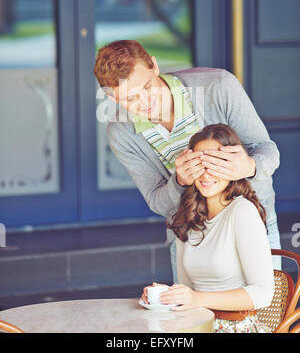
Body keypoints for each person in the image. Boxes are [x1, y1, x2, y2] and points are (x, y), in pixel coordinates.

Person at [93, 39, 281, 280]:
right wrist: (179, 182)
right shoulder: (121, 133)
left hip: (253, 221)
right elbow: (157, 201)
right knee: (194, 316)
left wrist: (250, 166)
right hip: (190, 236)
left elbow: (266, 149)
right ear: (114, 98)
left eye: (148, 87)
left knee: (265, 313)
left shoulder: (219, 86)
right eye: (130, 99)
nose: (145, 104)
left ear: (154, 65)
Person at [141, 124, 275, 333]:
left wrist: (196, 299)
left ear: (232, 165)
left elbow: (263, 294)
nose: (206, 173)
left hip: (235, 327)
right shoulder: (187, 216)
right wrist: (166, 296)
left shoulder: (242, 212)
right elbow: (187, 291)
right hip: (198, 326)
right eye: (199, 163)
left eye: (216, 163)